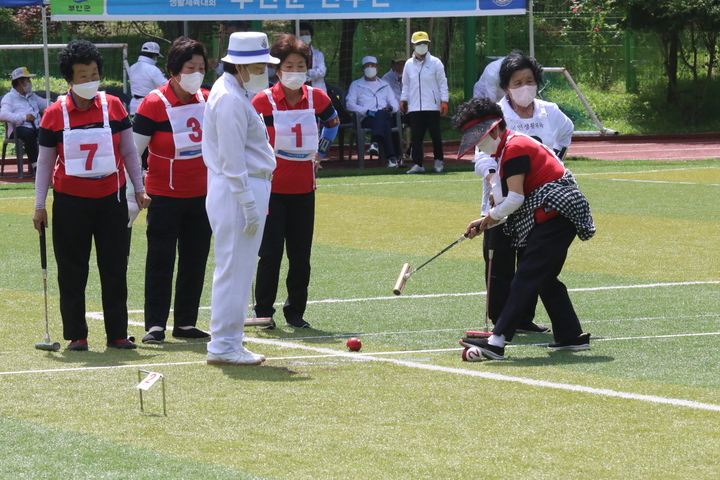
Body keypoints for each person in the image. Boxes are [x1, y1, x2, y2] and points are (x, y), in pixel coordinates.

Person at [455, 97, 595, 360]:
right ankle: (571, 336)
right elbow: (510, 204)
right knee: (544, 277)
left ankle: (496, 342)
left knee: (526, 275)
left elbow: (515, 199)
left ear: (496, 129)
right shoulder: (505, 149)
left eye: (481, 138)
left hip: (557, 214)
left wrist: (489, 217)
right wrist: (484, 222)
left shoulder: (515, 146)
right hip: (551, 216)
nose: (479, 145)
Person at [32, 40, 150, 351]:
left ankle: (118, 334)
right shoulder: (53, 114)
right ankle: (77, 334)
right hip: (71, 202)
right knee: (72, 269)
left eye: (94, 73)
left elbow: (128, 150)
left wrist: (139, 188)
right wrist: (39, 205)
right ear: (69, 80)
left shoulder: (114, 105)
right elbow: (44, 163)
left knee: (114, 267)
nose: (90, 80)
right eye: (82, 75)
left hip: (110, 199)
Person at [474, 50, 574, 334]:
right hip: (503, 199)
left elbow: (566, 133)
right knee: (500, 262)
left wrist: (553, 161)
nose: (524, 87)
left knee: (531, 263)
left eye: (529, 80)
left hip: (540, 203)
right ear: (506, 87)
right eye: (517, 83)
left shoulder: (550, 111)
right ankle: (501, 322)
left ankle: (524, 318)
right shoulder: (495, 114)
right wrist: (495, 183)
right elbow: (482, 156)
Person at [251, 34, 340, 330]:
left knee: (300, 257)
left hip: (304, 190)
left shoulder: (317, 97)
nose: (295, 71)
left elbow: (332, 123)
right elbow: (248, 136)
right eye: (289, 65)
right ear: (278, 69)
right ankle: (263, 311)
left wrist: (321, 153)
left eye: (301, 65)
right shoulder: (262, 100)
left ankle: (296, 312)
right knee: (270, 253)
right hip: (271, 190)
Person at [202, 31, 279, 366]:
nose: (265, 70)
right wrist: (248, 202)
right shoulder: (231, 98)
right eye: (261, 64)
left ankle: (230, 340)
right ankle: (222, 344)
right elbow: (232, 158)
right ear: (243, 65)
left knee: (238, 268)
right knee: (234, 269)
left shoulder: (235, 91)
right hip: (238, 190)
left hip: (242, 187)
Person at [132, 37, 212, 344]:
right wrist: (134, 193)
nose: (196, 73)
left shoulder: (208, 99)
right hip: (163, 196)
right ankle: (155, 325)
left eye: (201, 67)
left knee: (195, 259)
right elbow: (134, 152)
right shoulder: (153, 103)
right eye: (190, 67)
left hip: (202, 194)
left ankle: (186, 323)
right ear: (174, 70)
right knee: (161, 260)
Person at [400, 31, 449, 174]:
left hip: (432, 106)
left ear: (428, 45)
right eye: (419, 44)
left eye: (424, 43)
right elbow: (406, 84)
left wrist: (444, 101)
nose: (422, 46)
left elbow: (442, 83)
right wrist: (404, 99)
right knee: (416, 137)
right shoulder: (409, 64)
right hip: (415, 107)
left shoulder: (436, 62)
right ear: (413, 46)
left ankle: (438, 161)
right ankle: (418, 164)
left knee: (435, 135)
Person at [346, 55, 400, 167]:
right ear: (363, 69)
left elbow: (394, 103)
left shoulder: (384, 85)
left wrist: (391, 108)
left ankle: (375, 142)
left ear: (378, 68)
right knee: (385, 123)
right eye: (367, 66)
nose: (370, 68)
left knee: (382, 114)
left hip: (384, 114)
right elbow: (349, 104)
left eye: (373, 66)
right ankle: (391, 158)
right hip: (367, 118)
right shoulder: (356, 85)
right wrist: (366, 111)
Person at [0, 67, 47, 176]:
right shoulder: (9, 97)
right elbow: (2, 115)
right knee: (28, 134)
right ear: (20, 82)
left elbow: (45, 104)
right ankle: (36, 167)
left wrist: (59, 103)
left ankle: (48, 164)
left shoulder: (32, 96)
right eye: (28, 80)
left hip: (36, 127)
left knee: (47, 132)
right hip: (17, 130)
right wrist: (24, 117)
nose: (30, 83)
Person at [128, 42, 167, 116]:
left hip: (134, 106)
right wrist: (162, 74)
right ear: (154, 56)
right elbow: (165, 87)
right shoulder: (154, 69)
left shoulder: (132, 68)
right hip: (149, 105)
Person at [299, 22, 327, 92]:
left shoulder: (318, 54)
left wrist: (306, 73)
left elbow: (322, 72)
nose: (304, 36)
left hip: (315, 89)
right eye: (301, 34)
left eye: (306, 34)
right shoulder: (292, 55)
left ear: (311, 35)